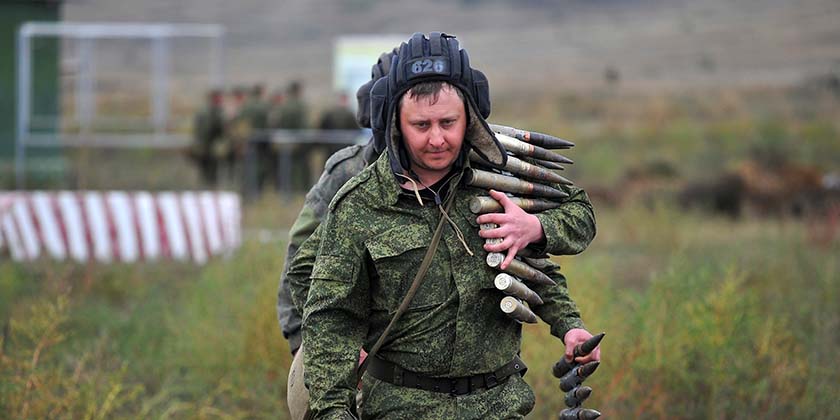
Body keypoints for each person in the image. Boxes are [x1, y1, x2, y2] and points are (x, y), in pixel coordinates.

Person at [289, 33, 600, 419]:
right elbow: (331, 317)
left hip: (499, 405)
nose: (437, 139)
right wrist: (334, 411)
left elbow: (577, 219)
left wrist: (534, 229)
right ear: (395, 123)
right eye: (421, 125)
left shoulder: (495, 178)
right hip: (400, 407)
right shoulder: (359, 204)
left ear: (470, 117)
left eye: (448, 123)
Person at [278, 49, 397, 356]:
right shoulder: (349, 171)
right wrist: (309, 345)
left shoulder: (463, 172)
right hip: (358, 353)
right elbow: (300, 257)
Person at [190, 89, 225, 186]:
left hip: (207, 147)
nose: (221, 100)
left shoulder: (208, 111)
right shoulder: (211, 112)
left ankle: (207, 188)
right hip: (208, 146)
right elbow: (206, 130)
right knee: (208, 172)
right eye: (219, 98)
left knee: (209, 172)